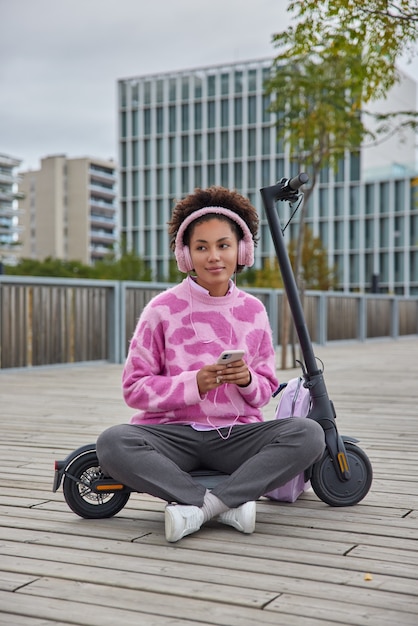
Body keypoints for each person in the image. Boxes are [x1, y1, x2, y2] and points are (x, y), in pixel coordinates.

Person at [96, 186, 325, 543]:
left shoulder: (254, 312)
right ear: (185, 255)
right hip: (172, 437)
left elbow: (263, 391)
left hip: (236, 435)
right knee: (112, 442)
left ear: (242, 250)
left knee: (309, 433)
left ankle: (199, 509)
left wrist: (247, 379)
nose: (213, 256)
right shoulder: (161, 310)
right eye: (201, 247)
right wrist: (194, 384)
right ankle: (225, 505)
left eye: (223, 245)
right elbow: (134, 388)